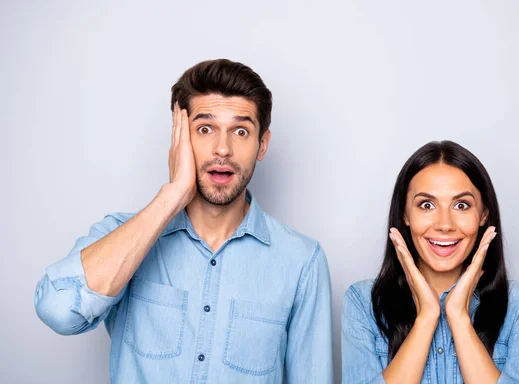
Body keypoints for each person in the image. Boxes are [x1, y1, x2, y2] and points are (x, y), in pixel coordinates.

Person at [34, 59, 334, 384]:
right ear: (179, 138)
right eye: (205, 129)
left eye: (241, 131)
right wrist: (174, 194)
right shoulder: (122, 236)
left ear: (262, 144)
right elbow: (58, 310)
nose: (223, 148)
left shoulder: (303, 261)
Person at [342, 140, 519, 384]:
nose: (444, 224)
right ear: (405, 214)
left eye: (461, 205)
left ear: (483, 214)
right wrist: (426, 317)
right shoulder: (363, 302)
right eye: (426, 205)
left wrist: (459, 317)